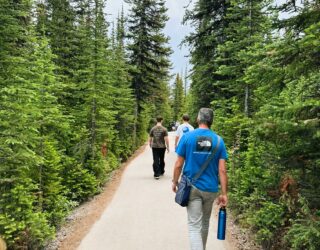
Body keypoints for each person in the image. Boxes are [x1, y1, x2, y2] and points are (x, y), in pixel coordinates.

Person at [172, 108, 228, 250]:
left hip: (192, 188)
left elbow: (178, 164)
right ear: (211, 121)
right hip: (210, 189)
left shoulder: (187, 137)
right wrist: (224, 193)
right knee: (204, 223)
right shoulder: (219, 141)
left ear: (198, 119)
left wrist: (174, 181)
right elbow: (222, 170)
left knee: (194, 226)